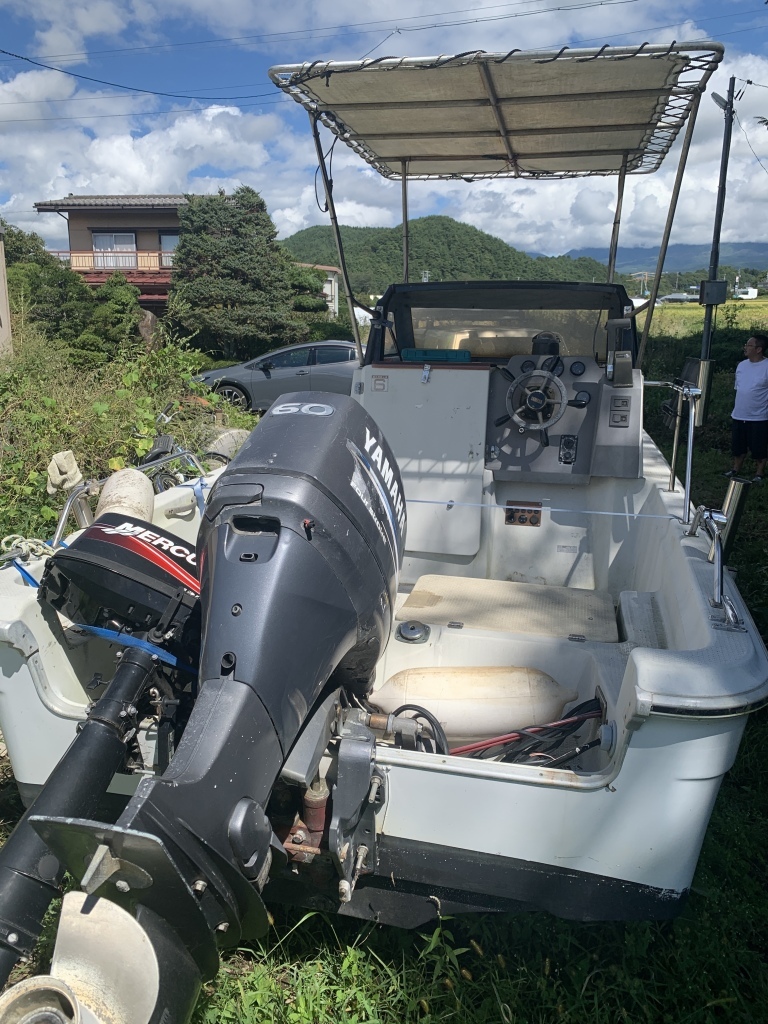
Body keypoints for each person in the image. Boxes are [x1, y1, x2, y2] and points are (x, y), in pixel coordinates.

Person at [726, 333, 768, 483]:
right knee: (738, 446)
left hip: (759, 416)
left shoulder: (766, 366)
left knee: (759, 447)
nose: (745, 348)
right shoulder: (742, 365)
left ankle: (759, 473)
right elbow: (738, 388)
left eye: (749, 345)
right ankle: (735, 469)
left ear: (759, 349)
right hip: (739, 413)